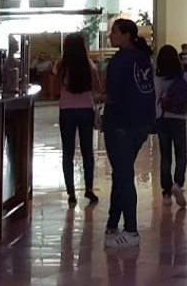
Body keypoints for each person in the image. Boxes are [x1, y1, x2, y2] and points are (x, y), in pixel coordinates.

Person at [102, 18, 155, 249]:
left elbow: (113, 95)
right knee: (120, 174)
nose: (109, 35)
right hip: (141, 124)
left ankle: (131, 230)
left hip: (120, 124)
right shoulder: (142, 59)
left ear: (125, 35)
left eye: (113, 32)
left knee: (123, 175)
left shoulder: (119, 61)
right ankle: (112, 224)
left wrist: (96, 99)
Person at [57, 32, 103, 206]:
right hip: (85, 110)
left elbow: (56, 85)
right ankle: (89, 189)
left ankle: (70, 192)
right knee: (87, 152)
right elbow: (97, 86)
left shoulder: (61, 66)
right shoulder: (89, 65)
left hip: (66, 111)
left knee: (68, 152)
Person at [154, 45, 187, 207]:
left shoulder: (157, 78)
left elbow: (155, 100)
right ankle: (177, 184)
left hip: (163, 120)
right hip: (179, 119)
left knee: (165, 156)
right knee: (181, 154)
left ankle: (166, 192)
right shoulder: (182, 76)